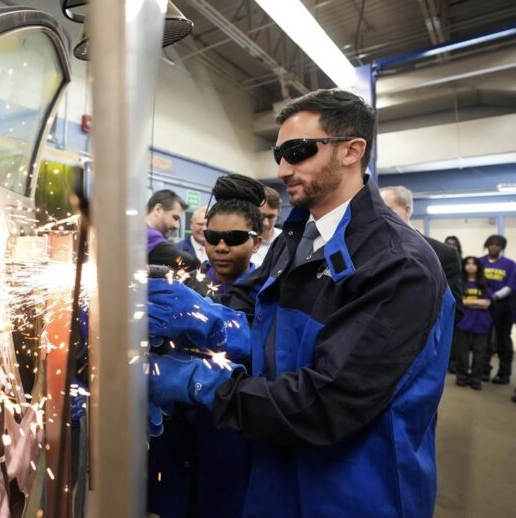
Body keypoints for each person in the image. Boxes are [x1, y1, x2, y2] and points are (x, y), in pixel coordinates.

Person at [147, 88, 455, 517]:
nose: (282, 168)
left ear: (352, 151)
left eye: (298, 151)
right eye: (280, 153)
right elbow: (256, 310)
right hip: (279, 471)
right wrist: (203, 315)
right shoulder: (299, 239)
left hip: (355, 490)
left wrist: (202, 383)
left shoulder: (398, 263)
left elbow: (326, 402)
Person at [148, 174, 264, 518]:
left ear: (257, 242)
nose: (222, 247)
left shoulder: (270, 293)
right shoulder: (186, 287)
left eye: (235, 238)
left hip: (229, 435)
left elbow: (266, 353)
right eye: (213, 238)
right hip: (177, 435)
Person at [380, 186, 464, 327]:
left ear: (407, 210)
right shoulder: (369, 251)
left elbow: (451, 309)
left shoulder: (442, 254)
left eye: (386, 209)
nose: (379, 215)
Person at [479, 234, 516, 384]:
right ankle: (484, 371)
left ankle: (504, 374)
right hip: (483, 307)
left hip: (504, 306)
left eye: (498, 245)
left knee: (503, 340)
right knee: (484, 340)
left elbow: (510, 286)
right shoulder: (479, 262)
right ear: (487, 245)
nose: (494, 246)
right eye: (491, 244)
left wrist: (494, 297)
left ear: (501, 247)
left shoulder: (510, 264)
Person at [454, 256, 493, 390]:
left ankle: (476, 378)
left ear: (478, 267)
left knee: (479, 353)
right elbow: (458, 302)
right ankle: (462, 377)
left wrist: (467, 302)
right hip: (463, 321)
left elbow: (487, 304)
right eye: (467, 263)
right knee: (462, 352)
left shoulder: (484, 283)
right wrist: (477, 302)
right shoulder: (459, 282)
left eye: (473, 264)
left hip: (481, 323)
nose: (470, 266)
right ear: (463, 266)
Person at [146, 189, 200, 270]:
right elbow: (191, 262)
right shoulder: (150, 235)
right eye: (175, 218)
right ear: (158, 210)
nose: (177, 226)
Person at [250, 185, 282, 266]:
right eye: (260, 216)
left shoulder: (286, 240)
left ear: (278, 214)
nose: (265, 223)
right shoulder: (241, 242)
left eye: (271, 217)